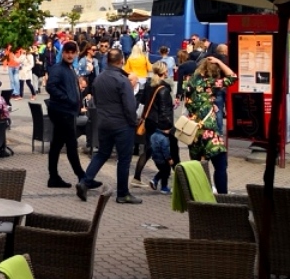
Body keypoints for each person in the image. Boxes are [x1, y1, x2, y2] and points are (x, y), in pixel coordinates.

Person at [77, 48, 141, 204]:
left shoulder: (99, 79)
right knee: (124, 159)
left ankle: (85, 181)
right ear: (121, 61)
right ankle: (123, 193)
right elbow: (129, 106)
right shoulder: (122, 80)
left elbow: (96, 101)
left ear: (107, 61)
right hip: (122, 124)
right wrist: (133, 122)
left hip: (104, 122)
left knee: (102, 153)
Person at [183, 56, 236, 194]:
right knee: (220, 165)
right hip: (209, 131)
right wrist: (219, 62)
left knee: (198, 166)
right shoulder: (209, 83)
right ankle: (223, 196)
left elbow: (193, 101)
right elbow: (232, 77)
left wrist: (209, 104)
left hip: (194, 132)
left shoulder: (189, 81)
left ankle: (200, 194)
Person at [45, 42, 86, 188]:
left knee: (56, 145)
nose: (69, 55)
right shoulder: (58, 68)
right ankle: (82, 177)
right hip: (62, 111)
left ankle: (53, 177)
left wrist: (76, 102)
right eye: (67, 52)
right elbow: (50, 86)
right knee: (71, 144)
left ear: (76, 53)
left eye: (72, 52)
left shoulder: (70, 68)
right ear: (62, 53)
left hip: (67, 110)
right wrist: (67, 99)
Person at [133, 61, 176, 192]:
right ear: (164, 72)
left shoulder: (149, 84)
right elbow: (164, 111)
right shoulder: (164, 88)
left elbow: (144, 101)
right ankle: (163, 184)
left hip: (149, 121)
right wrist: (168, 126)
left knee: (148, 150)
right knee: (165, 152)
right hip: (159, 124)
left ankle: (137, 177)